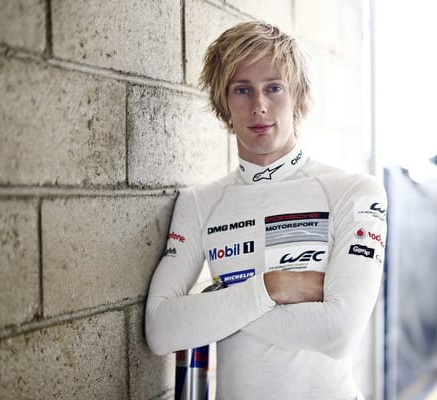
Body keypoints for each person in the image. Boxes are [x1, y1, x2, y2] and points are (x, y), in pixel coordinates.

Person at [145, 21, 387, 400]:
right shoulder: (199, 203)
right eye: (242, 90)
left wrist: (213, 310)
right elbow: (161, 331)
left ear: (298, 97)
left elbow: (339, 333)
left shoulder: (354, 192)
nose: (258, 105)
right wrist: (271, 287)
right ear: (224, 102)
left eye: (274, 88)